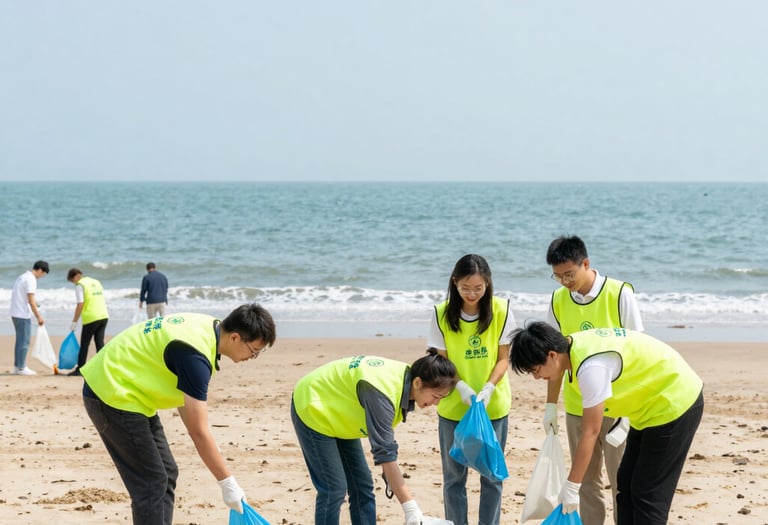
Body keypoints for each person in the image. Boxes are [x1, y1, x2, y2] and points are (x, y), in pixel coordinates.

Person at [80, 303, 276, 525]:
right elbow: (197, 431)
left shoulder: (209, 329)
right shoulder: (195, 357)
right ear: (234, 338)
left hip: (129, 392)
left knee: (167, 472)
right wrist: (227, 483)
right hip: (110, 393)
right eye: (254, 351)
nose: (254, 357)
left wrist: (207, 441)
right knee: (151, 481)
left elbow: (188, 405)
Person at [509, 323, 703, 525]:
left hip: (675, 403)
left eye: (536, 370)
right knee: (626, 486)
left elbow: (590, 432)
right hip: (648, 409)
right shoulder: (570, 347)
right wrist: (550, 406)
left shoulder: (591, 368)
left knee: (648, 495)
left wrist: (572, 486)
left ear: (551, 355)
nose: (537, 377)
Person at [291, 350, 458, 525]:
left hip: (340, 414)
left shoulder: (409, 378)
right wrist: (411, 510)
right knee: (334, 489)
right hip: (313, 405)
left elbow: (385, 452)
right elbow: (385, 453)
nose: (436, 403)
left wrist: (390, 474)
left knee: (362, 486)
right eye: (436, 396)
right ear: (417, 383)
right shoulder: (383, 393)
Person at [544, 235, 644, 525]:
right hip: (578, 404)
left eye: (569, 274)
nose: (564, 281)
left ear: (586, 263)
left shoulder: (619, 293)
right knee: (585, 482)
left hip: (617, 407)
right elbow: (555, 359)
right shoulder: (558, 300)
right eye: (557, 276)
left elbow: (638, 352)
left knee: (621, 482)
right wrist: (551, 405)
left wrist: (629, 413)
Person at [427, 254, 516, 525]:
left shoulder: (501, 310)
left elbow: (504, 358)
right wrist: (461, 386)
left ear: (488, 284)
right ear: (454, 283)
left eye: (479, 288)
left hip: (492, 407)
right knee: (454, 478)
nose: (472, 294)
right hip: (454, 406)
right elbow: (440, 361)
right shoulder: (441, 314)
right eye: (465, 288)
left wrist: (489, 387)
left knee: (491, 476)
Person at [67, 268, 109, 376]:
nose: (74, 283)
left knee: (85, 344)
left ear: (75, 276)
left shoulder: (80, 285)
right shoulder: (96, 282)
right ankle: (103, 367)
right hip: (103, 315)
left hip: (91, 317)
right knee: (99, 342)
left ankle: (80, 369)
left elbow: (80, 303)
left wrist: (74, 321)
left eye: (73, 281)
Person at [9, 260, 49, 375]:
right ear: (40, 270)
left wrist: (37, 305)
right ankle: (21, 368)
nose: (42, 276)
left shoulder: (23, 276)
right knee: (24, 341)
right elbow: (31, 301)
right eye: (43, 274)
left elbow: (27, 298)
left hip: (15, 312)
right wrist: (39, 316)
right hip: (22, 314)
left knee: (20, 341)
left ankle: (17, 367)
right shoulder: (31, 279)